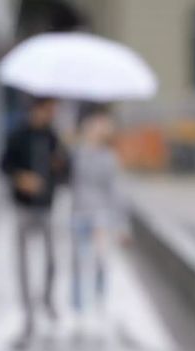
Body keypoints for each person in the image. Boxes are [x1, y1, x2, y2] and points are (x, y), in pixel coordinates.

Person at [0, 97, 69, 350]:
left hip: (47, 206)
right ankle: (28, 314)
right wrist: (22, 179)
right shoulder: (17, 136)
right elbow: (3, 165)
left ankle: (47, 301)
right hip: (23, 207)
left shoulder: (53, 138)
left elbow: (66, 172)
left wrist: (58, 168)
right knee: (24, 264)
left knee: (52, 260)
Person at [69, 106, 129, 318]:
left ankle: (99, 301)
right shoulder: (76, 154)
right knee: (78, 261)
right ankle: (77, 307)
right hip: (78, 214)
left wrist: (122, 225)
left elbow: (116, 192)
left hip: (101, 217)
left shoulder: (109, 158)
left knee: (100, 261)